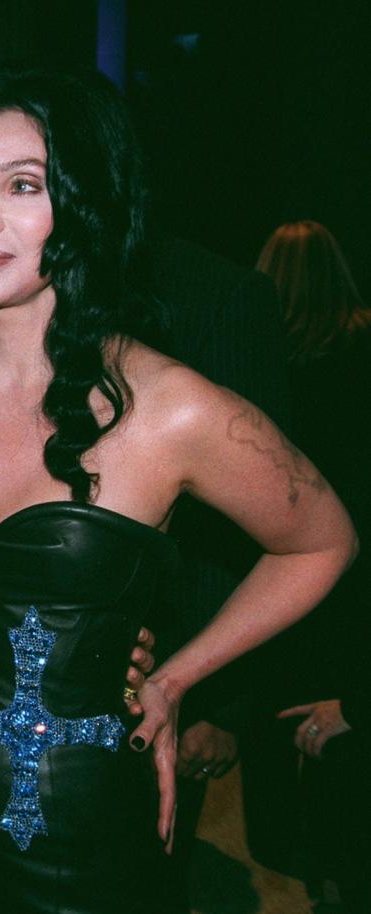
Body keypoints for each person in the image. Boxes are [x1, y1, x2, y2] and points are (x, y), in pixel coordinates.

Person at [0, 68, 356, 913]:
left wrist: (177, 678)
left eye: (24, 186)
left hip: (81, 841)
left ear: (85, 206)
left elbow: (323, 539)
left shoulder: (169, 408)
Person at [259, 220, 371, 911]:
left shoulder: (260, 356)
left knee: (293, 711)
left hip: (290, 565)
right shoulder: (359, 346)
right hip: (354, 569)